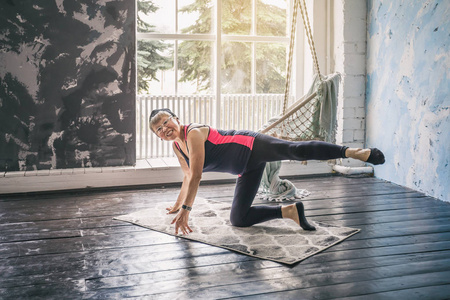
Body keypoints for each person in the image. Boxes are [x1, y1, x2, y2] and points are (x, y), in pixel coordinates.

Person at [149, 108, 385, 235]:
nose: (164, 129)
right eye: (158, 129)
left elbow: (198, 174)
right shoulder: (177, 147)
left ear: (176, 118)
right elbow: (188, 176)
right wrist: (178, 206)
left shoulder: (193, 133)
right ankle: (290, 211)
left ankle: (354, 153)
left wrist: (187, 211)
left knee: (296, 151)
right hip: (245, 168)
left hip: (252, 145)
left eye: (166, 122)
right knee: (238, 219)